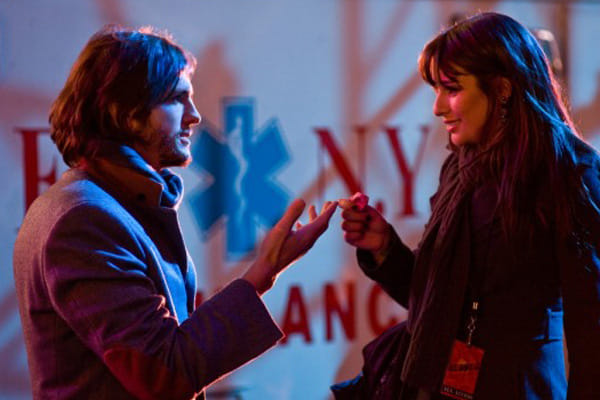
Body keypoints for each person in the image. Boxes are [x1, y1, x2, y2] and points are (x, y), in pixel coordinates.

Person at [13, 26, 337, 400]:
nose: (194, 116)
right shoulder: (84, 220)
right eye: (178, 99)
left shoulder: (107, 204)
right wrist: (261, 273)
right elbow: (165, 374)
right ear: (127, 112)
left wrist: (265, 269)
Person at [336, 12, 600, 400]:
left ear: (502, 89)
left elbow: (591, 327)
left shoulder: (569, 172)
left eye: (452, 89)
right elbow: (435, 301)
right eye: (436, 90)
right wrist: (384, 248)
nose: (437, 107)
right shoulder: (460, 168)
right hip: (447, 382)